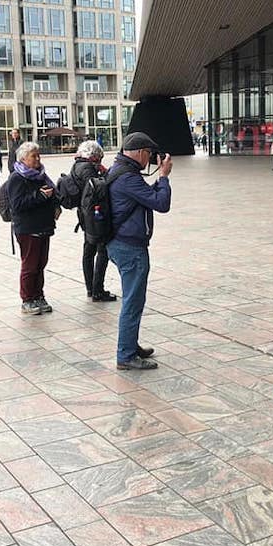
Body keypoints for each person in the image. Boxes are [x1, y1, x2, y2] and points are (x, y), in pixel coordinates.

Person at [108, 132, 172, 370]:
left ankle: (130, 345)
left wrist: (157, 184)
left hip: (122, 243)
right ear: (141, 152)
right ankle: (125, 355)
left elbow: (145, 197)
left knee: (133, 298)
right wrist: (163, 176)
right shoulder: (128, 178)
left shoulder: (122, 171)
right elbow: (161, 203)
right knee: (133, 301)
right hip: (129, 246)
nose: (150, 159)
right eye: (149, 154)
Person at [7, 141, 60, 314]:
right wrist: (40, 196)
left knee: (41, 264)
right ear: (23, 159)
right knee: (30, 265)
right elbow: (17, 204)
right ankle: (27, 299)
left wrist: (54, 203)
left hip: (44, 226)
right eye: (33, 156)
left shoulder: (41, 175)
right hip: (28, 228)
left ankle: (38, 295)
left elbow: (51, 193)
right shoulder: (17, 177)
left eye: (39, 155)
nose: (38, 159)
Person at [71, 141, 117, 301]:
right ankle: (97, 290)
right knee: (101, 250)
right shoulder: (88, 169)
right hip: (94, 216)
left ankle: (91, 288)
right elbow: (97, 189)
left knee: (88, 251)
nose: (101, 161)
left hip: (85, 214)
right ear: (94, 156)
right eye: (99, 158)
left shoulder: (77, 165)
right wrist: (106, 175)